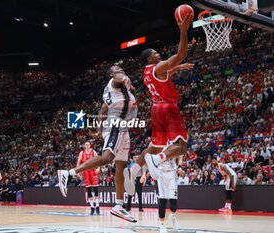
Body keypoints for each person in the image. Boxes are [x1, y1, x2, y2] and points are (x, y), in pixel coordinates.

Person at [123, 12, 193, 193]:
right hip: (169, 109)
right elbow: (181, 54)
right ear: (149, 59)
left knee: (154, 147)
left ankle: (132, 170)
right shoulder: (158, 67)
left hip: (156, 109)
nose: (158, 53)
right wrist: (183, 31)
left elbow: (164, 75)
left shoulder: (147, 72)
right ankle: (158, 159)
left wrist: (176, 68)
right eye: (155, 53)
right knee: (181, 147)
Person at [58, 65, 138, 222]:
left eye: (122, 69)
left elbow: (102, 110)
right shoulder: (115, 82)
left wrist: (99, 129)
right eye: (117, 69)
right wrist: (124, 78)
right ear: (111, 74)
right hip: (117, 124)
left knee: (120, 167)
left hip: (122, 127)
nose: (121, 70)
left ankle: (119, 205)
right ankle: (68, 173)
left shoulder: (113, 93)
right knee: (107, 158)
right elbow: (117, 79)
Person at [76, 141, 100, 215]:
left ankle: (98, 207)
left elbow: (98, 160)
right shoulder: (81, 153)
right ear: (84, 146)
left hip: (93, 172)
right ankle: (92, 207)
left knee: (95, 190)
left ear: (90, 145)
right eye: (86, 144)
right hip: (86, 173)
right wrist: (78, 170)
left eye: (88, 144)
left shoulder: (93, 152)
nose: (87, 145)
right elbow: (78, 162)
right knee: (89, 191)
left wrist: (98, 168)